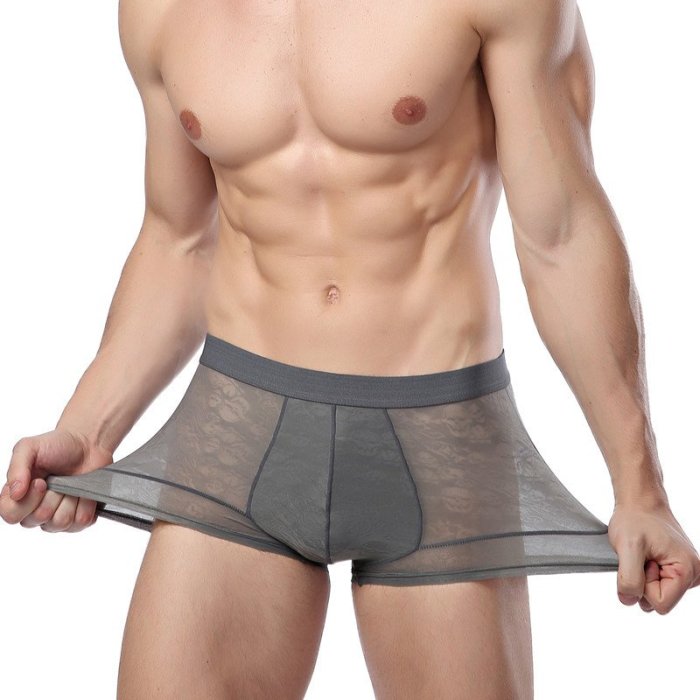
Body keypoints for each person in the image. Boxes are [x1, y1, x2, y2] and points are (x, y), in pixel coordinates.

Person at [2, 0, 699, 697]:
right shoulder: (160, 9)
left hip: (435, 442)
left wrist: (639, 487)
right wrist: (88, 428)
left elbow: (561, 235)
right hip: (240, 434)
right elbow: (178, 240)